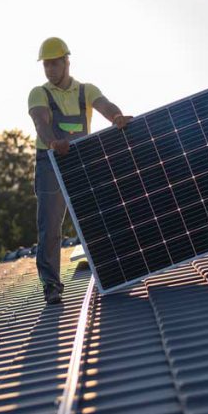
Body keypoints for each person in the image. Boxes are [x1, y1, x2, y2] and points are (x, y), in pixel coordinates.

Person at [28, 37, 132, 304]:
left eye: (55, 63)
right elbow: (40, 121)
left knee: (97, 217)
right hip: (50, 161)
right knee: (50, 226)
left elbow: (106, 106)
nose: (50, 69)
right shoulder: (39, 93)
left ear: (67, 62)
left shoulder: (86, 90)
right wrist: (53, 142)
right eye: (46, 65)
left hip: (81, 160)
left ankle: (115, 271)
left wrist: (117, 117)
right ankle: (51, 285)